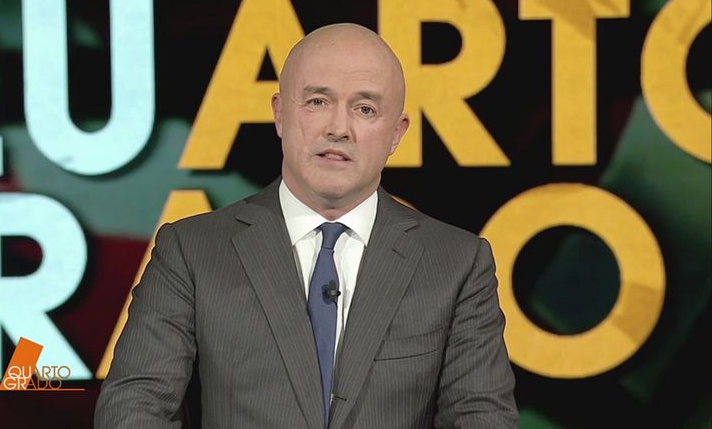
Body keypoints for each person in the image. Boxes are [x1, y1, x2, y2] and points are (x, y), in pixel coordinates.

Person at [95, 23, 518, 428]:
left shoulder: (457, 263)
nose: (338, 128)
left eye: (365, 109)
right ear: (279, 114)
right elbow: (135, 405)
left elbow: (481, 417)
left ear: (396, 133)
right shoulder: (191, 251)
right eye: (317, 101)